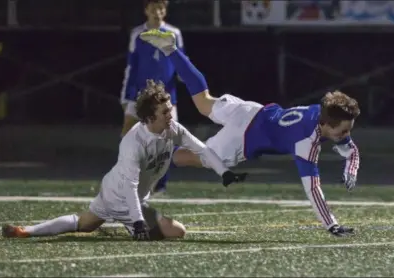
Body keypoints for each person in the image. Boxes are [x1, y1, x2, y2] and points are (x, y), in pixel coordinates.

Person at [139, 29, 360, 237]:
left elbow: (348, 147)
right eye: (343, 131)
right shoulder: (307, 143)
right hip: (243, 138)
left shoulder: (321, 111)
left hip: (252, 110)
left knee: (204, 101)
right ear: (327, 124)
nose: (347, 134)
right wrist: (331, 224)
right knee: (196, 158)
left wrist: (351, 168)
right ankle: (148, 155)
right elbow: (312, 188)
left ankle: (170, 49)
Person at [2, 80, 247, 241]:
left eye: (170, 108)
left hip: (119, 190)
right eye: (165, 111)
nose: (170, 113)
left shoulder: (173, 129)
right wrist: (138, 222)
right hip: (120, 194)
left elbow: (202, 149)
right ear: (150, 117)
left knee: (85, 223)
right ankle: (28, 231)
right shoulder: (134, 142)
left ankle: (27, 231)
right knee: (178, 232)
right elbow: (130, 185)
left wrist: (224, 172)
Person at [120, 0, 185, 193]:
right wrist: (126, 97)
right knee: (127, 135)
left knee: (168, 139)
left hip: (166, 97)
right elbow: (131, 67)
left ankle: (159, 185)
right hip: (140, 95)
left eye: (162, 8)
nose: (158, 12)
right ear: (146, 10)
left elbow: (182, 63)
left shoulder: (174, 34)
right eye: (154, 8)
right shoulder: (137, 34)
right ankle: (125, 179)